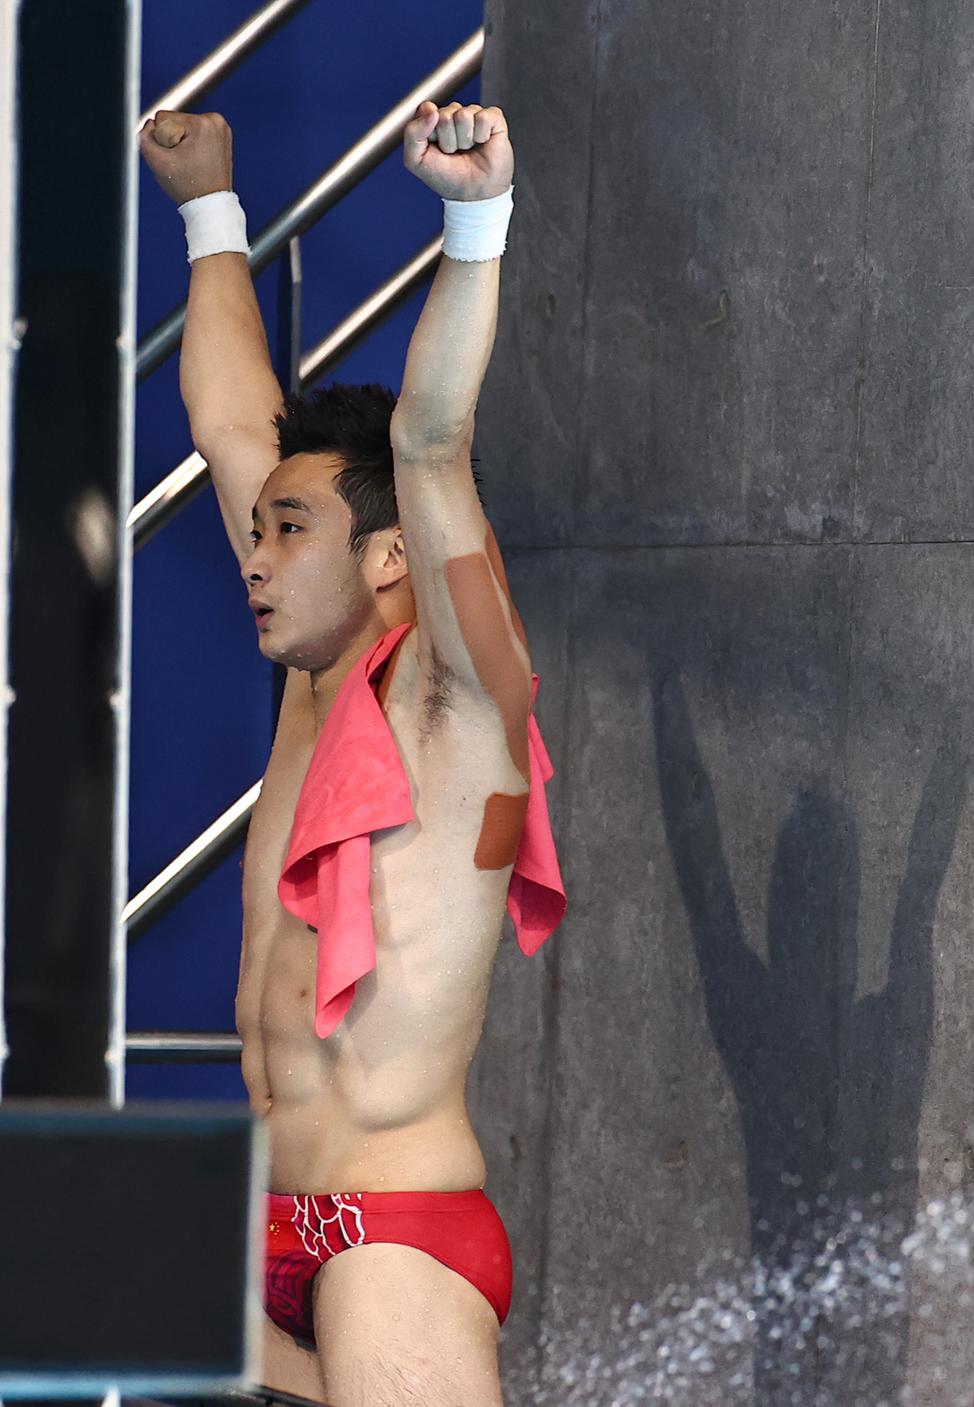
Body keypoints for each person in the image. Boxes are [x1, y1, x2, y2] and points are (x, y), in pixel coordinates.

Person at [139, 96, 565, 1407]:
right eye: (256, 532)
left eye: (287, 532)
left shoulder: (468, 702)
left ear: (387, 558)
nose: (254, 559)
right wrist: (209, 207)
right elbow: (232, 425)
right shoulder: (311, 686)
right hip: (270, 1225)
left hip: (391, 1237)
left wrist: (475, 222)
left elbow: (432, 446)